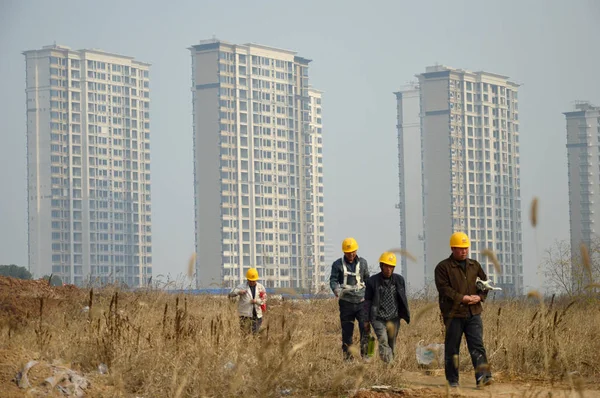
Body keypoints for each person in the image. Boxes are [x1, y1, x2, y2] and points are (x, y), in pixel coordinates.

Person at [434, 232, 493, 388]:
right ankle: (452, 380)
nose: (464, 251)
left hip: (474, 312)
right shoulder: (443, 267)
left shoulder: (475, 265)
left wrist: (480, 297)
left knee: (477, 345)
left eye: (466, 248)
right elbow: (444, 289)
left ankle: (483, 378)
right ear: (453, 248)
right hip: (453, 314)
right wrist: (463, 298)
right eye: (460, 249)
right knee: (453, 347)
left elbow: (485, 283)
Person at [363, 252, 410, 363]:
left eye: (391, 266)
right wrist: (366, 320)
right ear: (381, 266)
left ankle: (388, 366)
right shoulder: (372, 282)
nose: (388, 269)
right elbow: (367, 302)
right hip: (378, 318)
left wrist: (404, 314)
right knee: (383, 340)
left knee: (392, 342)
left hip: (394, 318)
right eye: (386, 266)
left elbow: (402, 298)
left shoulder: (399, 280)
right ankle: (390, 365)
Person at [329, 237, 370, 360]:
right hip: (346, 303)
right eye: (348, 252)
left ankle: (368, 356)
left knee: (367, 330)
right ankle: (348, 359)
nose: (351, 254)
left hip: (362, 303)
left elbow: (368, 279)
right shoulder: (337, 264)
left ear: (356, 250)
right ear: (344, 252)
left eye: (353, 251)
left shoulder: (363, 263)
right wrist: (336, 290)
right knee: (347, 332)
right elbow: (333, 280)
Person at [228, 268, 267, 335]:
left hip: (257, 316)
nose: (252, 282)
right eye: (250, 281)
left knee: (254, 334)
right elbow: (231, 294)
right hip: (245, 316)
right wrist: (238, 292)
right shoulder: (241, 287)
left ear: (256, 280)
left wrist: (256, 301)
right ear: (247, 279)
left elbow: (264, 299)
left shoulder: (261, 287)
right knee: (245, 335)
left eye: (253, 281)